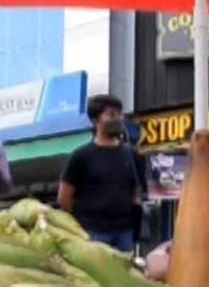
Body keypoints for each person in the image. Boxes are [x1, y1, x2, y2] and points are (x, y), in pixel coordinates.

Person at [58, 94, 144, 252]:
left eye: (119, 114)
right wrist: (79, 226)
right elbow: (64, 197)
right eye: (110, 114)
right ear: (95, 120)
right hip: (91, 232)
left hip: (124, 232)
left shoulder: (131, 154)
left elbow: (135, 190)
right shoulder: (81, 156)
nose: (117, 118)